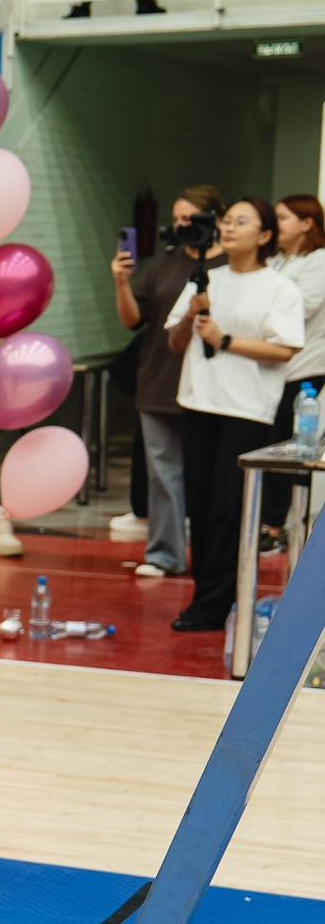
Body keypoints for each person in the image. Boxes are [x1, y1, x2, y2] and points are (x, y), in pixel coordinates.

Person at [163, 197, 305, 631]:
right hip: (198, 402)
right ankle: (205, 595)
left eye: (241, 222)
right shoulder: (205, 279)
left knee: (229, 510)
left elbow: (285, 348)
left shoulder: (279, 288)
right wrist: (190, 316)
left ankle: (214, 602)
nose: (229, 228)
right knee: (200, 507)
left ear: (264, 236)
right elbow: (174, 343)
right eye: (226, 220)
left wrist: (225, 341)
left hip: (247, 410)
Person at [112, 188, 219, 577]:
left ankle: (210, 559)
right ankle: (164, 555)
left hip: (211, 387)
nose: (180, 225)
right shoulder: (163, 265)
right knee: (163, 474)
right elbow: (132, 319)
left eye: (188, 217)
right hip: (159, 380)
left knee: (206, 475)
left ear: (212, 219)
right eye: (175, 218)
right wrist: (122, 282)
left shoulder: (229, 265)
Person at [263, 193, 325, 535]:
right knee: (265, 448)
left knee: (290, 448)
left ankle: (278, 526)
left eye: (283, 218)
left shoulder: (319, 260)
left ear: (306, 223)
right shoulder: (273, 261)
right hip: (267, 371)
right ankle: (267, 521)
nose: (276, 225)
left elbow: (298, 310)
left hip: (304, 372)